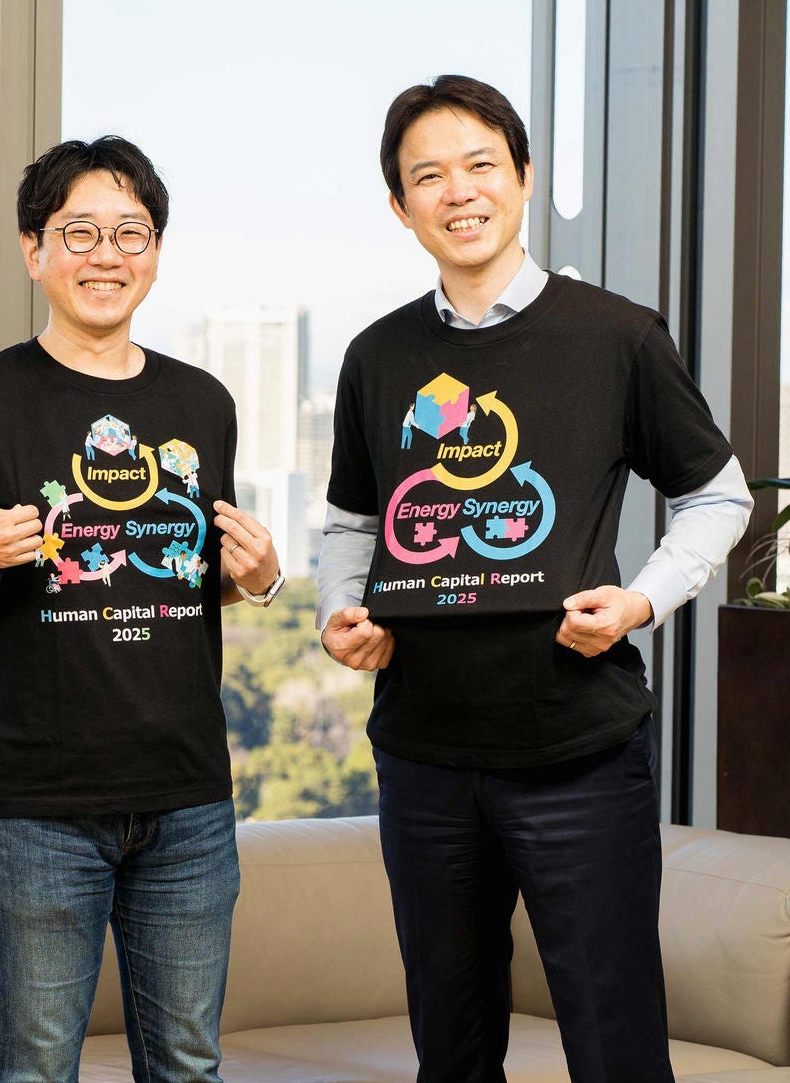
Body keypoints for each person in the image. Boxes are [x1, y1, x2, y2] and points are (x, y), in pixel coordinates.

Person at [318, 74, 754, 1083]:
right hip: (422, 755)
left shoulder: (615, 336)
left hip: (577, 751)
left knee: (613, 1045)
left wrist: (639, 601)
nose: (458, 191)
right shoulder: (377, 357)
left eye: (479, 165)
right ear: (400, 206)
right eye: (428, 176)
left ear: (521, 177)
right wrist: (340, 607)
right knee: (451, 1049)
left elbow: (717, 494)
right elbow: (352, 523)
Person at [0, 136, 284, 1083]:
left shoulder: (202, 402)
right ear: (34, 250)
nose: (106, 254)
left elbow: (180, 575)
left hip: (189, 796)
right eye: (79, 232)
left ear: (155, 252)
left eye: (131, 232)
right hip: (41, 806)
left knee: (191, 1064)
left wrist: (257, 577)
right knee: (38, 1067)